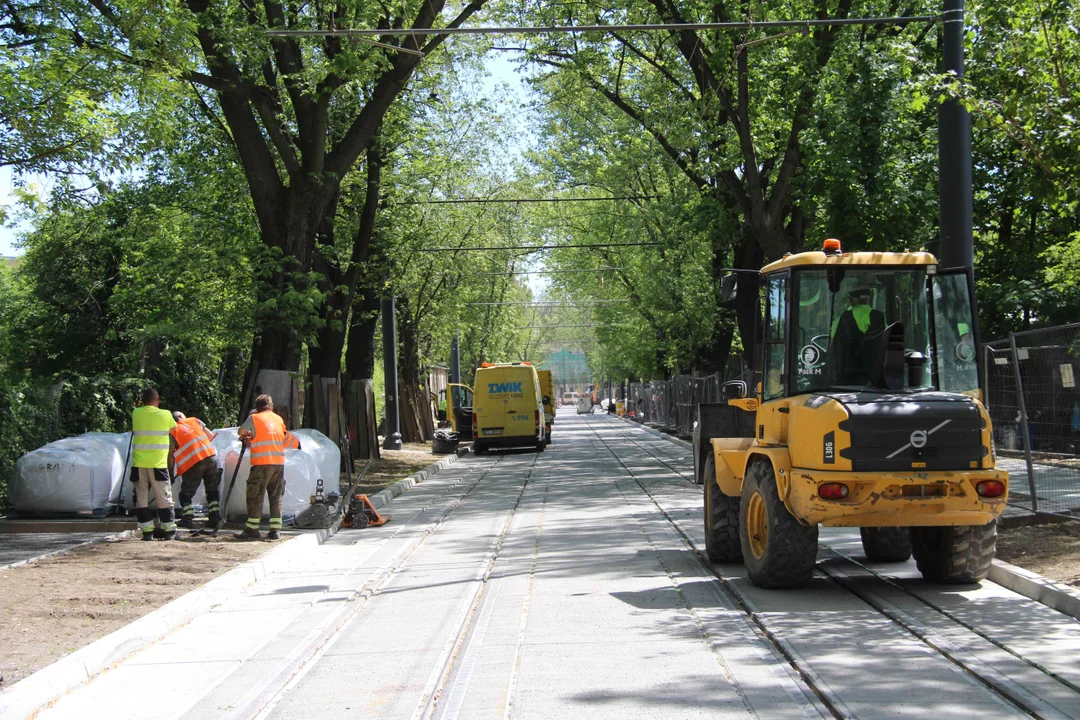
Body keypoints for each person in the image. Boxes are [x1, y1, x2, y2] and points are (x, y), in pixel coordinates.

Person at [236, 394, 300, 541]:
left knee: (255, 495)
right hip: (278, 463)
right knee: (276, 496)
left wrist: (250, 435)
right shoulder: (278, 419)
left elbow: (241, 432)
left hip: (261, 463)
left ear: (257, 407)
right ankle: (275, 530)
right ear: (270, 406)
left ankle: (252, 529)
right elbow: (282, 437)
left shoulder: (255, 418)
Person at [131, 388, 178, 541]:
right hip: (158, 464)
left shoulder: (136, 413)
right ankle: (169, 530)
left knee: (141, 499)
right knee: (163, 497)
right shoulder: (165, 414)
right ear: (157, 399)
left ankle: (147, 532)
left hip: (139, 464)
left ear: (142, 401)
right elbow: (173, 429)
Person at [169, 412, 220, 530]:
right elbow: (210, 436)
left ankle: (187, 518)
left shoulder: (173, 431)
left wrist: (170, 474)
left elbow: (170, 454)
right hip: (210, 457)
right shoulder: (194, 420)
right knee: (212, 491)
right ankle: (215, 518)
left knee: (185, 494)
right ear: (182, 417)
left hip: (193, 462)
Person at [829, 285, 886, 386]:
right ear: (869, 300)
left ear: (850, 300)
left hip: (845, 382)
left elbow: (833, 348)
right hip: (876, 381)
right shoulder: (881, 319)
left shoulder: (840, 320)